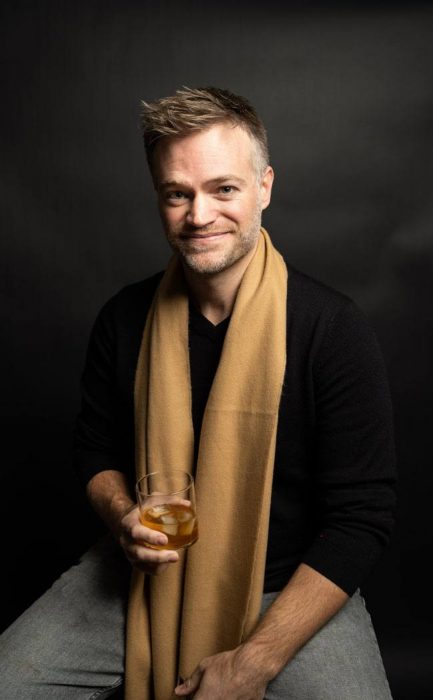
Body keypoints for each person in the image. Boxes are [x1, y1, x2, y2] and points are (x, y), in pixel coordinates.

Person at [0, 87, 397, 700]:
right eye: (176, 194)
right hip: (141, 575)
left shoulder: (332, 328)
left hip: (288, 586)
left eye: (224, 189)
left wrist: (255, 662)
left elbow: (361, 518)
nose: (198, 215)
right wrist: (121, 516)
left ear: (264, 187)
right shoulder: (123, 319)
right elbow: (94, 449)